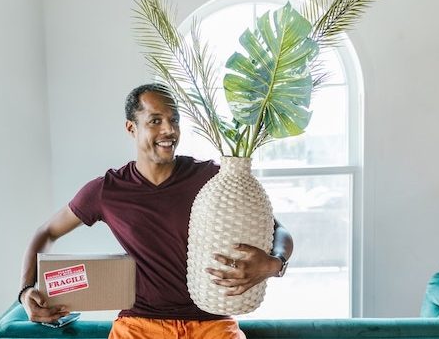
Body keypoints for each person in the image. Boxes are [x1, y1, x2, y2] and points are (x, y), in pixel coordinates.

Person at [17, 83, 293, 339]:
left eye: (174, 120)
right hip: (138, 326)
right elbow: (47, 232)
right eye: (155, 121)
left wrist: (274, 264)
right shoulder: (106, 190)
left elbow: (277, 229)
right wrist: (26, 290)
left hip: (213, 323)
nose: (169, 130)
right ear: (131, 128)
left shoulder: (212, 178)